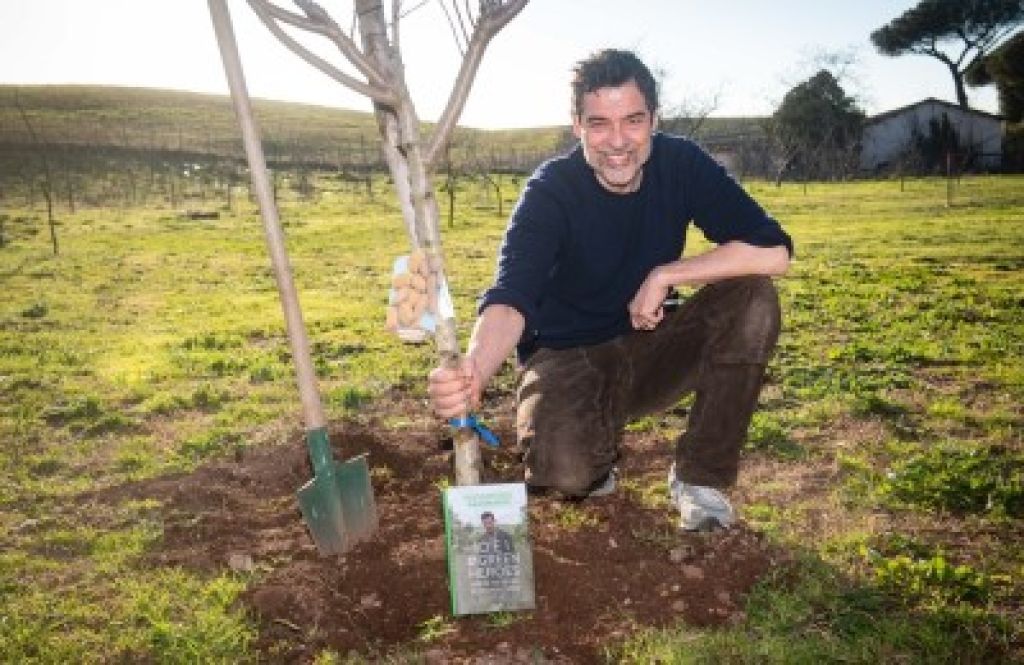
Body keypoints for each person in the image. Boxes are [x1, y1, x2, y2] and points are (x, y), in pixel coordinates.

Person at [428, 49, 793, 531]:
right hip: (567, 356)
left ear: (654, 121)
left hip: (652, 347)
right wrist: (475, 370)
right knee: (567, 475)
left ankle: (700, 479)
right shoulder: (551, 192)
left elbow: (774, 253)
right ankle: (589, 445)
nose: (617, 142)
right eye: (599, 123)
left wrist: (665, 275)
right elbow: (511, 297)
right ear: (576, 124)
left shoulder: (681, 164)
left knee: (754, 299)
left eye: (633, 121)